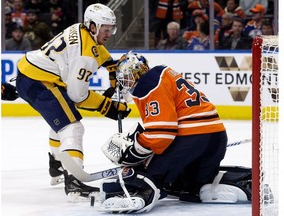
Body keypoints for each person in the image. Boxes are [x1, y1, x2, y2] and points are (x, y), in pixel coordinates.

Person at [99, 51, 252, 213]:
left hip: (191, 139)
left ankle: (139, 194)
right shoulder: (162, 74)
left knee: (150, 175)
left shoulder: (148, 84)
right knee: (192, 186)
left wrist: (134, 151)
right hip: (216, 138)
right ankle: (242, 183)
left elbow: (162, 133)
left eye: (126, 77)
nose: (125, 83)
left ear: (138, 72)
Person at [15, 3, 131, 200]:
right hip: (40, 82)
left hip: (29, 73)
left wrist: (111, 65)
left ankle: (58, 166)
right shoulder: (85, 56)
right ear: (93, 26)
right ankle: (74, 182)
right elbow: (77, 95)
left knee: (62, 119)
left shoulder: (80, 28)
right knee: (72, 128)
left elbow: (96, 50)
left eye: (111, 29)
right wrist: (107, 106)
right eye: (106, 29)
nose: (109, 33)